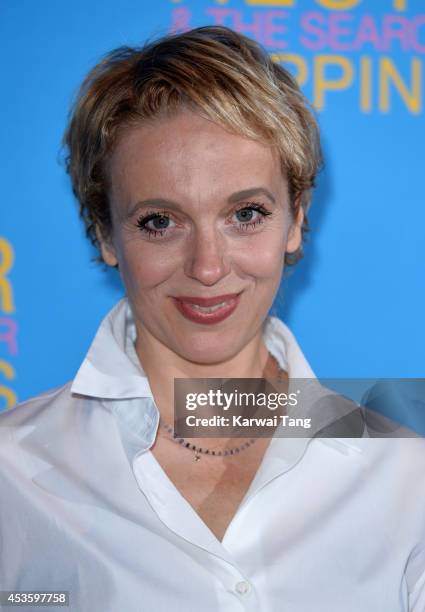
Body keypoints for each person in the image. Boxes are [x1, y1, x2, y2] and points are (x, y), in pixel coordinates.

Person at [0, 25, 424, 612]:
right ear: (104, 233)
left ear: (296, 219)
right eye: (159, 222)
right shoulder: (12, 474)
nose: (207, 267)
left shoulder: (405, 477)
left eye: (245, 213)